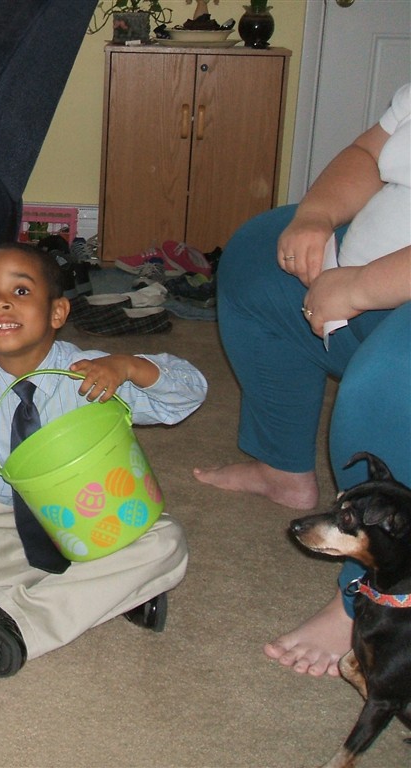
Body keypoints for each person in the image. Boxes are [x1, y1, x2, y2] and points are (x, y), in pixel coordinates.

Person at [193, 83, 410, 676]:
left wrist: (360, 286)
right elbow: (367, 154)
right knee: (256, 256)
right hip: (360, 284)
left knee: (384, 389)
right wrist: (316, 217)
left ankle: (369, 596)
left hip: (386, 298)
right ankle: (282, 467)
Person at [0, 243, 207, 677]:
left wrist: (129, 366)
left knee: (167, 541)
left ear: (57, 312)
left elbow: (189, 393)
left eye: (20, 291)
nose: (0, 302)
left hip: (97, 509)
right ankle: (119, 590)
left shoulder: (94, 373)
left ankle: (19, 622)